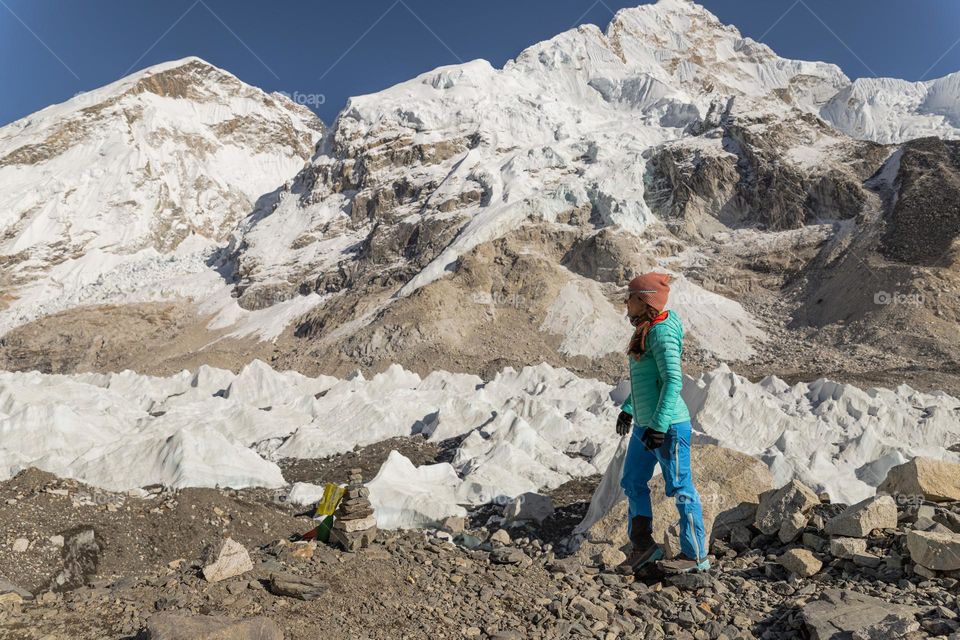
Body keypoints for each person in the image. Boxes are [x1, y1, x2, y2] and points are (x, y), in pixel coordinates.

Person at [615, 272, 709, 574]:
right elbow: (647, 379)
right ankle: (644, 547)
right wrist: (630, 408)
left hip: (667, 426)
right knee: (632, 481)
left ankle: (695, 556)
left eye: (629, 297)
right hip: (647, 424)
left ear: (643, 301)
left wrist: (658, 424)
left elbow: (672, 381)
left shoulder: (661, 332)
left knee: (681, 487)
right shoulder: (646, 328)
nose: (626, 303)